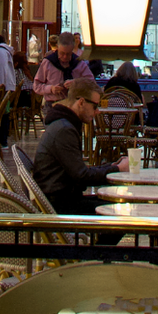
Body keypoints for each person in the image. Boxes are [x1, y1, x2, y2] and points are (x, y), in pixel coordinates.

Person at [29, 77, 118, 216]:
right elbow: (82, 176)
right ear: (81, 102)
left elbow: (79, 171)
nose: (98, 111)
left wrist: (113, 167)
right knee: (119, 213)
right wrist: (116, 170)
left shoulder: (62, 124)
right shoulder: (65, 130)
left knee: (115, 206)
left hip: (58, 199)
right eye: (95, 106)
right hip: (59, 206)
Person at [29, 32, 95, 105]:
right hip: (52, 104)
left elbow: (92, 83)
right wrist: (51, 89)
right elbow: (36, 86)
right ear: (57, 47)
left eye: (68, 54)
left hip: (75, 105)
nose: (65, 57)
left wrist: (76, 83)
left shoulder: (79, 64)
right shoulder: (48, 62)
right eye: (62, 53)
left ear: (73, 49)